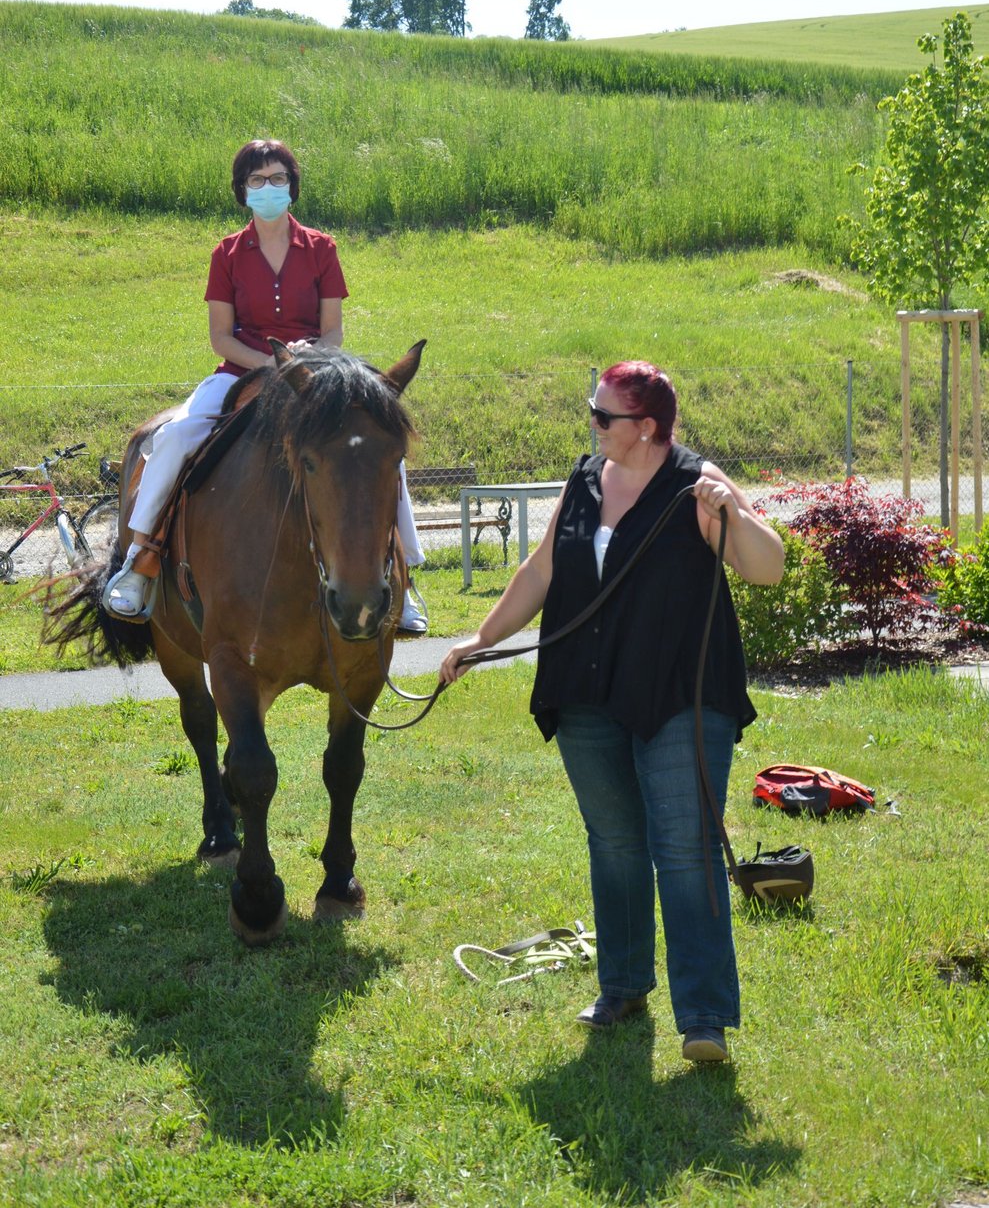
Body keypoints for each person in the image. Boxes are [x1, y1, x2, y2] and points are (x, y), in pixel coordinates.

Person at [440, 361, 784, 1062]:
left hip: (676, 696)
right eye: (590, 412)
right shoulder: (584, 480)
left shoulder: (696, 483)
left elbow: (766, 566)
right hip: (586, 691)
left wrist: (732, 512)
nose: (591, 425)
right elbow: (539, 571)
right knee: (615, 842)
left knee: (684, 851)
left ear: (646, 426)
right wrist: (479, 638)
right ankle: (623, 985)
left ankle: (704, 1017)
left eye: (602, 416)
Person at [103, 138, 428, 630]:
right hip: (241, 372)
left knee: (375, 445)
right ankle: (141, 564)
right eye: (257, 180)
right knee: (172, 439)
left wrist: (311, 356)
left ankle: (403, 581)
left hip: (315, 377)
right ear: (242, 190)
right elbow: (220, 338)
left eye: (278, 178)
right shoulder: (226, 254)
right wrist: (269, 365)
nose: (268, 187)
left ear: (292, 186)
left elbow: (334, 329)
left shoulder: (322, 248)